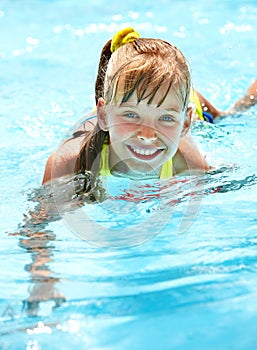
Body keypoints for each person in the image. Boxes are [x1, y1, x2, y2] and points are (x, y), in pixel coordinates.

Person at [42, 27, 257, 185]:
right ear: (104, 115)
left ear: (185, 124)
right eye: (131, 115)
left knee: (229, 116)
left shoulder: (189, 163)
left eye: (166, 118)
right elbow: (36, 226)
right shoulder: (70, 162)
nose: (147, 134)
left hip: (189, 103)